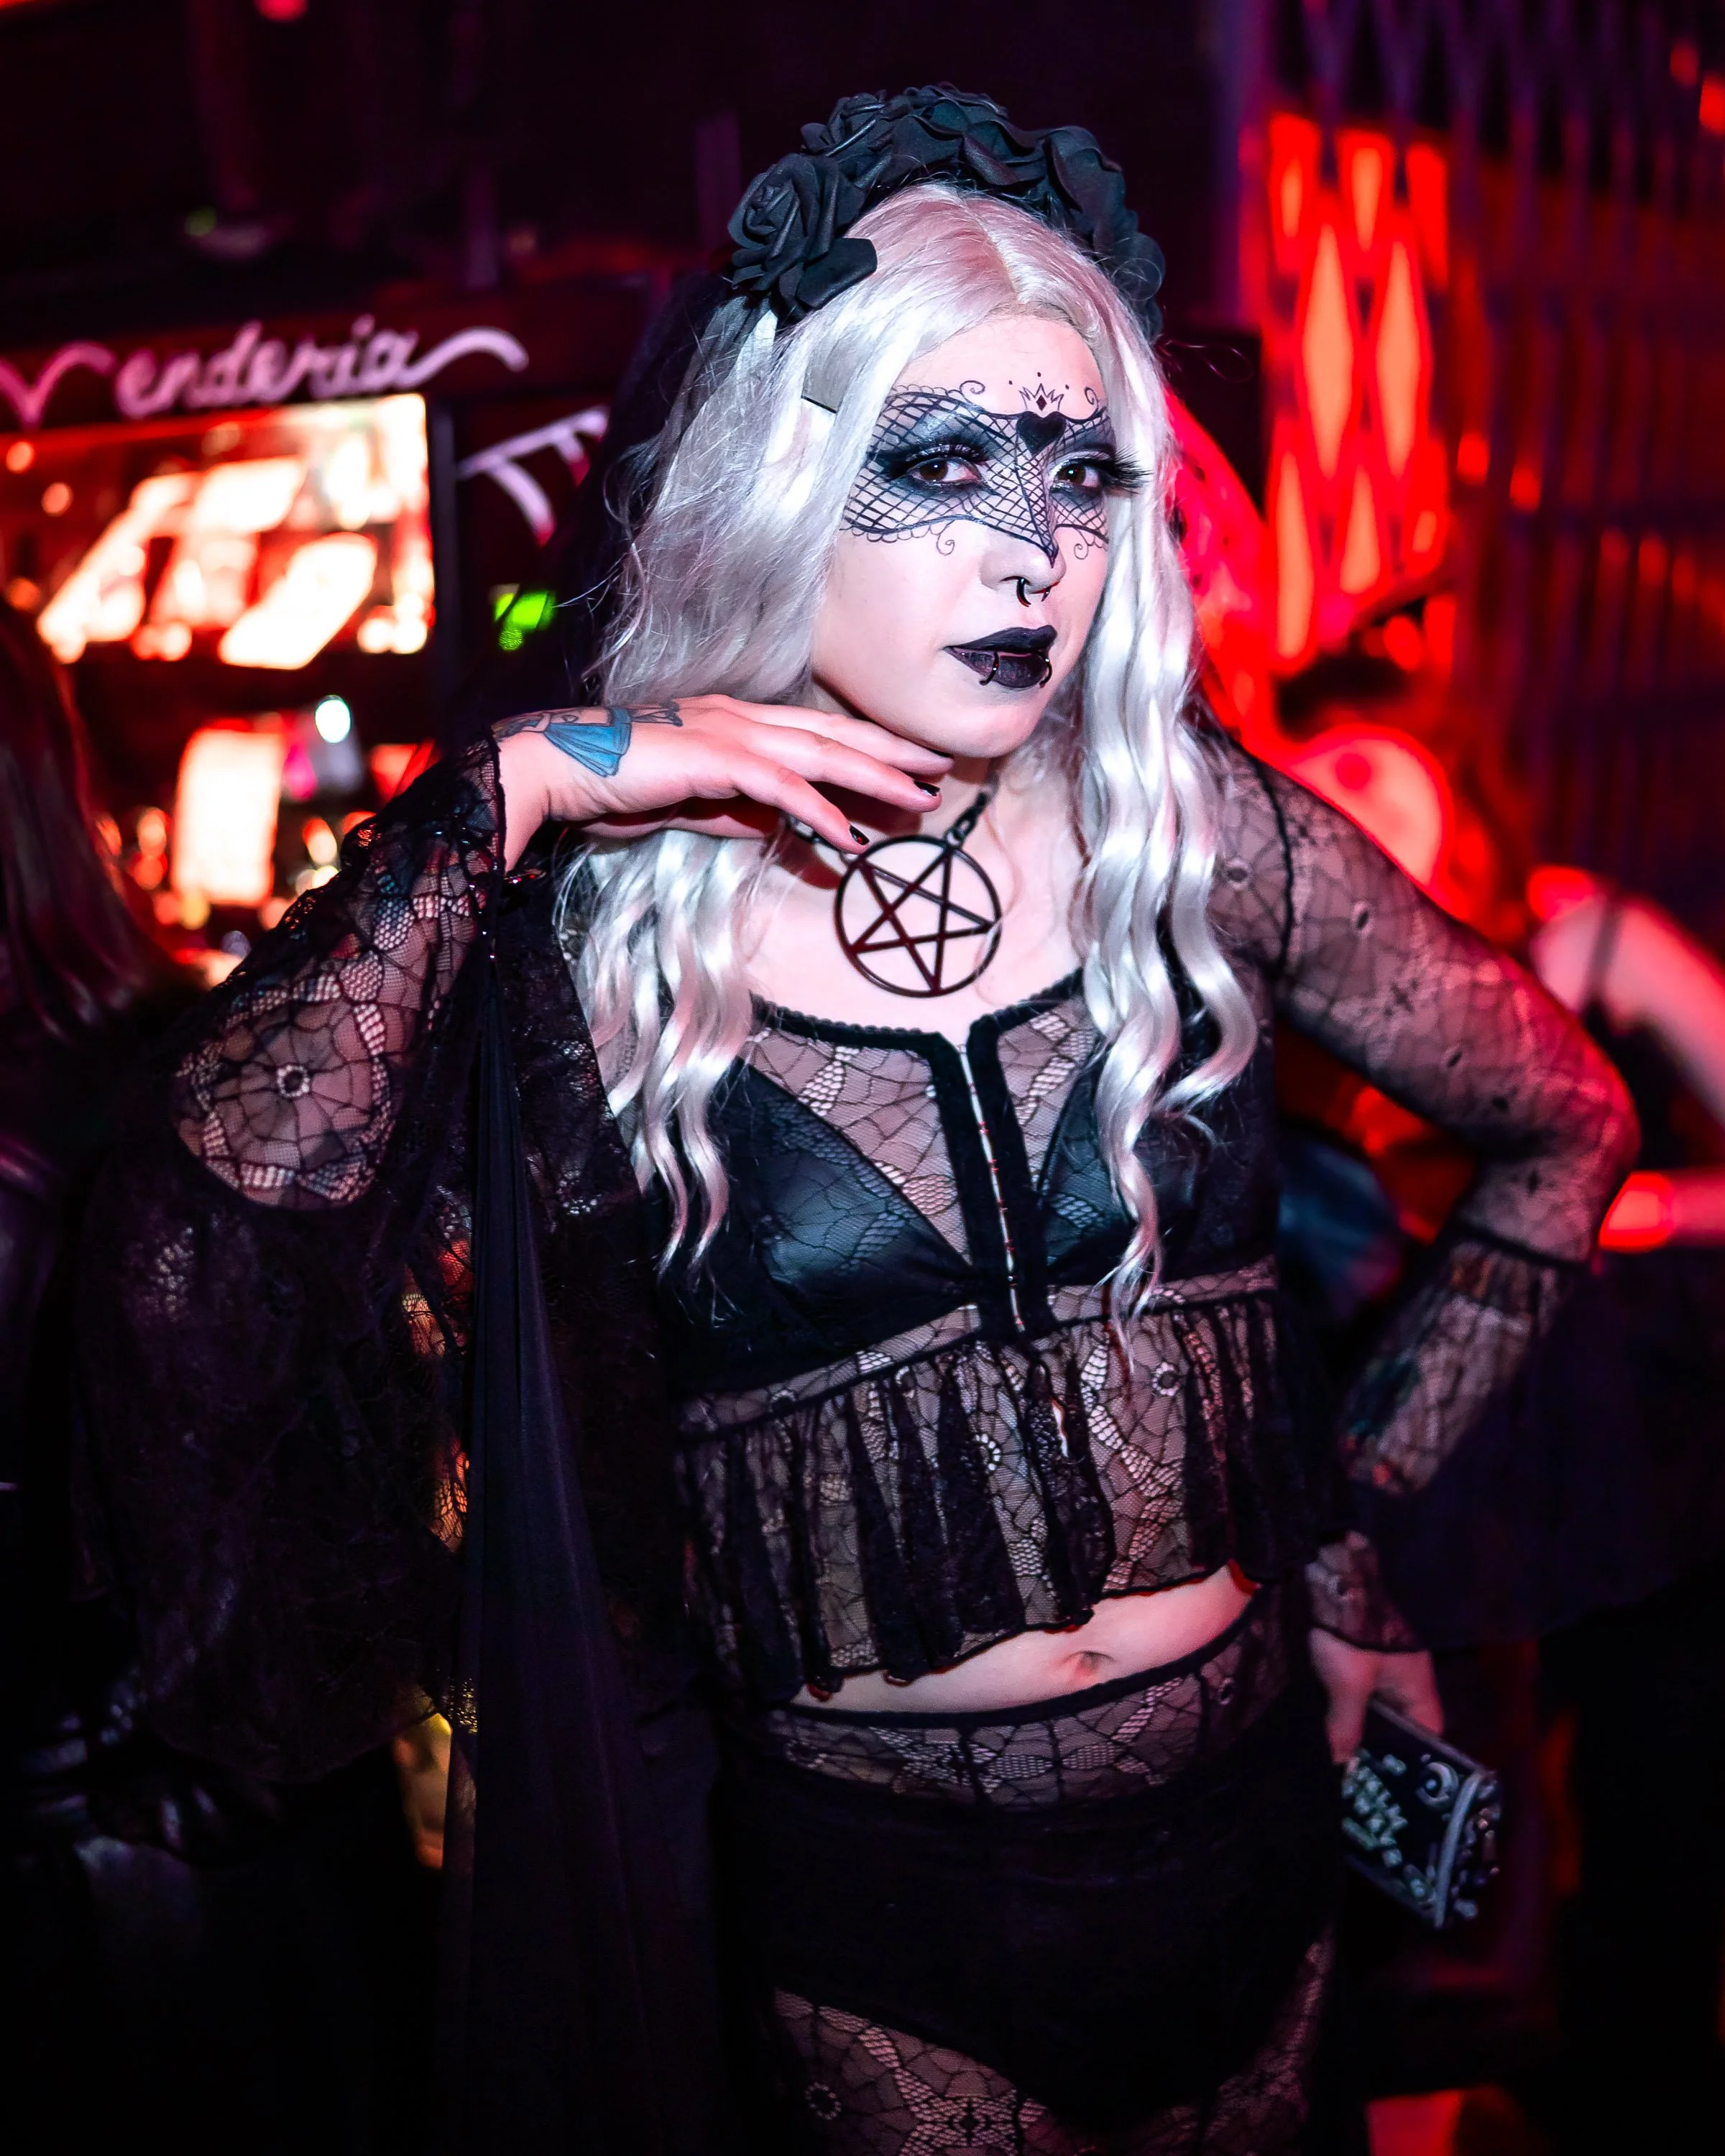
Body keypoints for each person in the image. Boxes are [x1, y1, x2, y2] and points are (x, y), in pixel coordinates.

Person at [80, 91, 1635, 2156]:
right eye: (938, 463)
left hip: (1255, 1850)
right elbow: (187, 1263)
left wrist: (1350, 1533)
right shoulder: (596, 921)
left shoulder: (1195, 831)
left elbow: (1567, 1122)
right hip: (878, 1929)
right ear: (783, 484)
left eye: (1082, 471)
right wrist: (516, 792)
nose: (1033, 549)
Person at [1524, 873, 1725, 2155]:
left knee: (1650, 1803)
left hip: (1654, 1452)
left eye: (1378, 755)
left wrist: (1642, 1212)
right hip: (1464, 1465)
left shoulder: (1591, 938)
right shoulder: (1288, 959)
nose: (1351, 794)